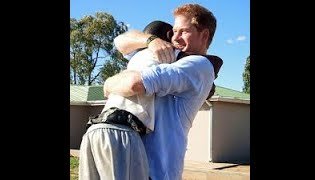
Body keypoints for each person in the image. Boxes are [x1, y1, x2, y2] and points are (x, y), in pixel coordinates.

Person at [105, 3, 223, 180]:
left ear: (204, 34)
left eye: (183, 31)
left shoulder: (201, 66)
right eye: (174, 31)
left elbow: (133, 84)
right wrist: (150, 40)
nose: (175, 38)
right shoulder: (170, 57)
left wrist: (108, 83)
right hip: (134, 160)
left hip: (158, 170)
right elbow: (120, 41)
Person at [78, 20, 176, 180]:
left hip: (93, 132)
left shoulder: (136, 58)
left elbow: (119, 40)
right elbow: (209, 64)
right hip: (122, 133)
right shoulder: (168, 55)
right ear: (168, 36)